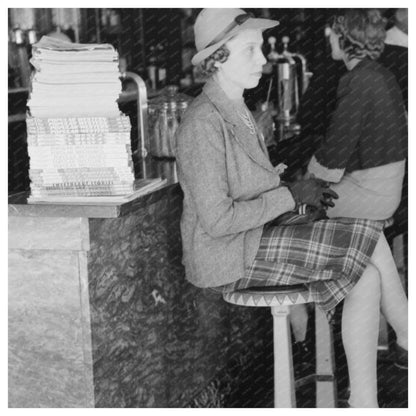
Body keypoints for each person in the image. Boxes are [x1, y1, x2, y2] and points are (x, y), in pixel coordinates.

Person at [176, 8, 407, 408]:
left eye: (260, 49)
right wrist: (292, 195)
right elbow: (216, 221)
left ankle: (363, 403)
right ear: (217, 59)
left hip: (253, 238)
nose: (263, 60)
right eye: (251, 50)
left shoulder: (238, 111)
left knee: (367, 272)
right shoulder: (201, 124)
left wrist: (284, 183)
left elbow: (244, 189)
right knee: (368, 237)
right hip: (229, 254)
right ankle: (404, 340)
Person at [292, 9, 409, 372]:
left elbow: (336, 148)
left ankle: (301, 342)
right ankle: (407, 333)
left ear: (346, 40)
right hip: (385, 185)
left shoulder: (357, 80)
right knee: (370, 241)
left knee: (294, 215)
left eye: (332, 33)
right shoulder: (378, 75)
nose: (328, 38)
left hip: (371, 190)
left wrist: (304, 180)